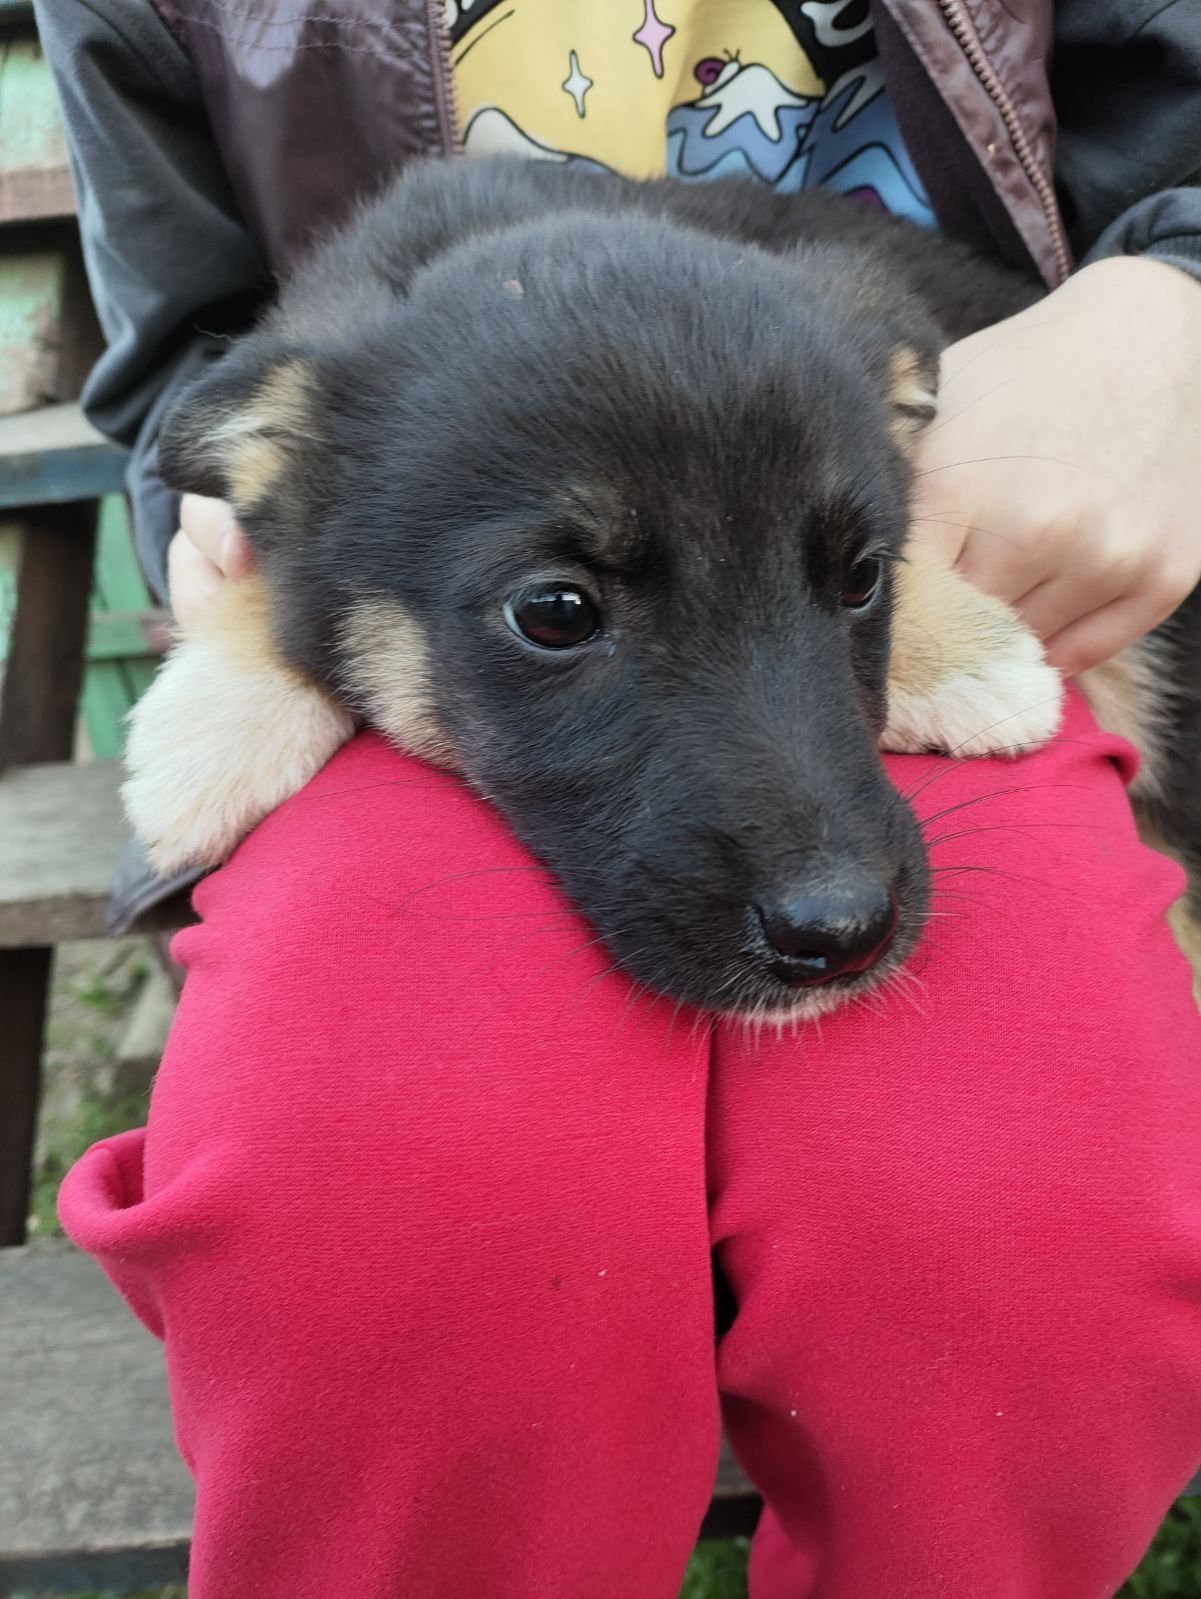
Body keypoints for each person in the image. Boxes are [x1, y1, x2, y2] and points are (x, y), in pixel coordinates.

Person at [37, 3, 1201, 1595]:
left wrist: (1175, 300)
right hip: (425, 541)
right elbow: (192, 362)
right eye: (566, 612)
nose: (823, 891)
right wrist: (234, 562)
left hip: (990, 527)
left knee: (1016, 1220)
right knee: (387, 1208)